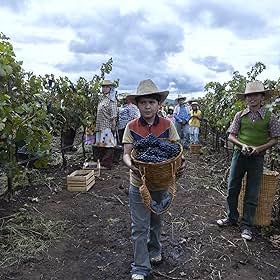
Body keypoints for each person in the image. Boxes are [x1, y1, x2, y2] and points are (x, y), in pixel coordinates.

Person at [122, 79, 186, 280]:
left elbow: (177, 151)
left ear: (159, 104)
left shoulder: (169, 125)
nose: (147, 106)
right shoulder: (131, 127)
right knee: (139, 225)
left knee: (156, 219)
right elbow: (126, 153)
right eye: (143, 103)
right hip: (138, 183)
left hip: (161, 182)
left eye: (151, 102)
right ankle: (140, 266)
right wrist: (129, 164)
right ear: (138, 105)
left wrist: (181, 163)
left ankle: (155, 249)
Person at [216, 80, 280, 240]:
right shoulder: (240, 115)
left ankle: (246, 226)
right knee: (232, 188)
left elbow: (274, 139)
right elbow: (231, 136)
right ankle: (231, 218)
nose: (252, 98)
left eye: (255, 95)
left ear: (262, 97)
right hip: (239, 155)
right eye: (249, 95)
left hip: (257, 158)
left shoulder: (269, 117)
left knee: (252, 192)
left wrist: (260, 148)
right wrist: (242, 145)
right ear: (245, 98)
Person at [94, 80, 118, 169]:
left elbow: (113, 115)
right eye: (103, 86)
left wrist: (113, 126)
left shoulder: (112, 100)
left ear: (110, 88)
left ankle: (107, 164)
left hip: (107, 125)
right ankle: (102, 162)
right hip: (100, 125)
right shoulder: (102, 98)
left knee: (109, 145)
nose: (104, 88)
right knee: (102, 144)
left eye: (106, 87)